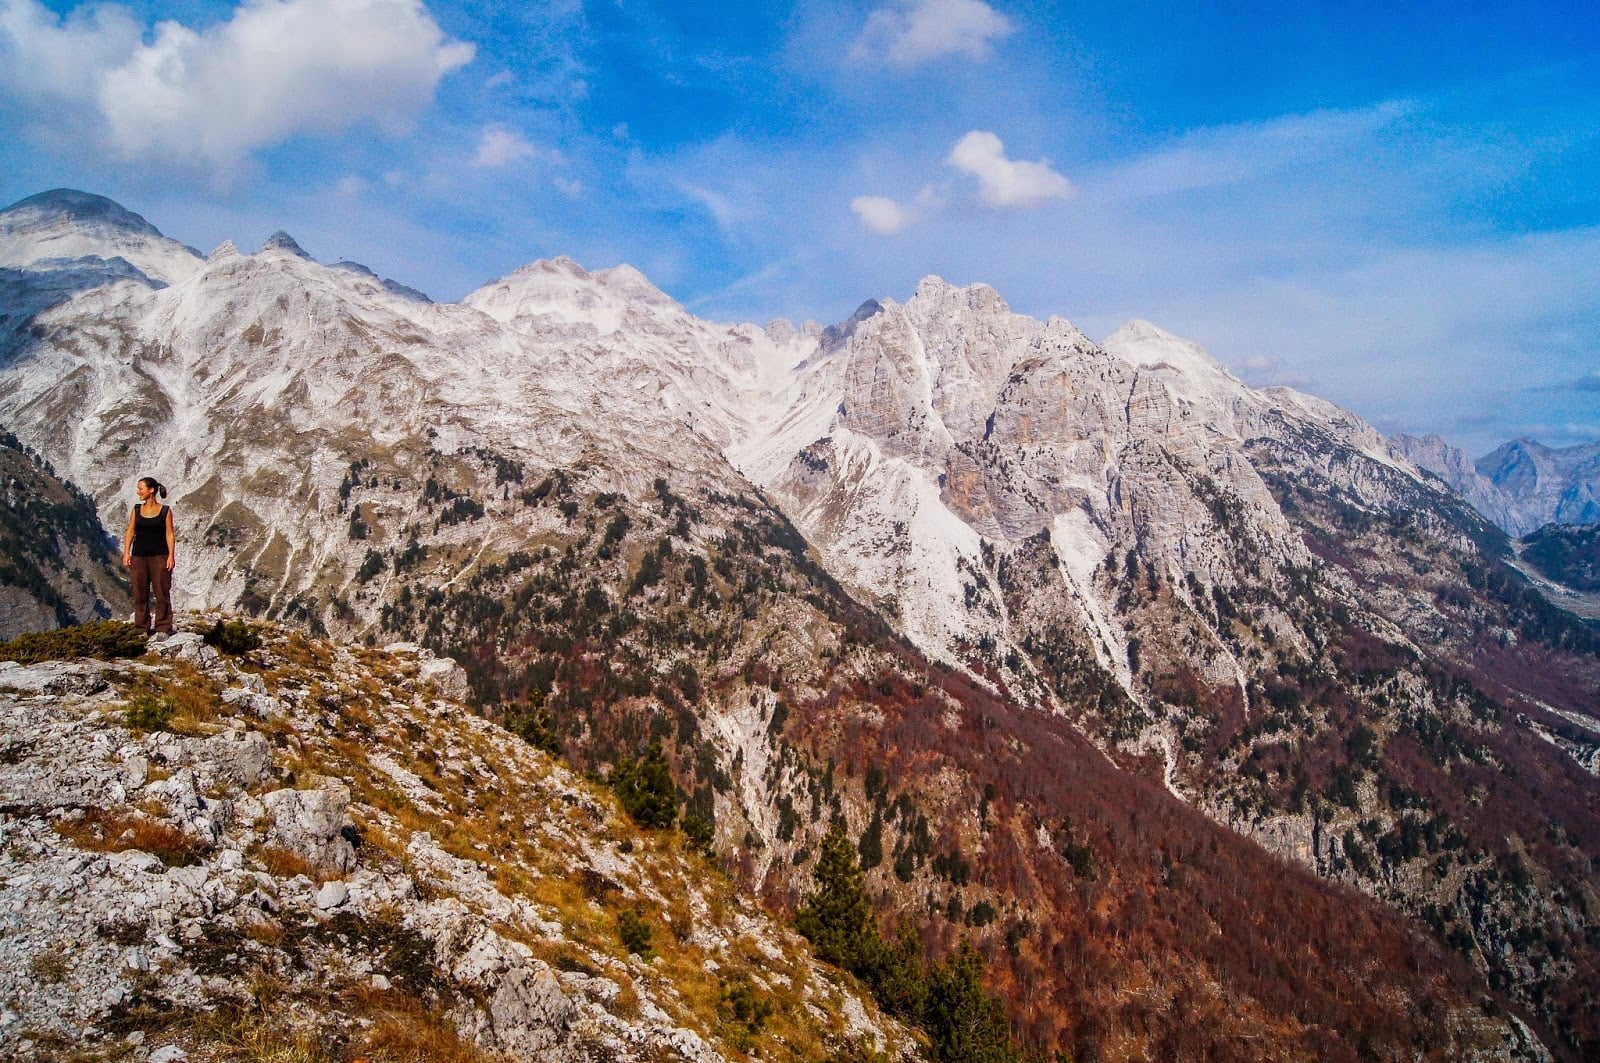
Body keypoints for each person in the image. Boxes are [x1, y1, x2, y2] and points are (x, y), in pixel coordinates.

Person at [122, 476, 176, 636]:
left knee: (162, 592)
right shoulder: (137, 509)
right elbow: (130, 531)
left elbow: (170, 534)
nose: (138, 492)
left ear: (151, 490)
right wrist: (126, 552)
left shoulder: (165, 511)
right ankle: (141, 627)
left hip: (160, 556)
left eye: (141, 488)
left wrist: (171, 556)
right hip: (139, 557)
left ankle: (163, 627)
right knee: (139, 592)